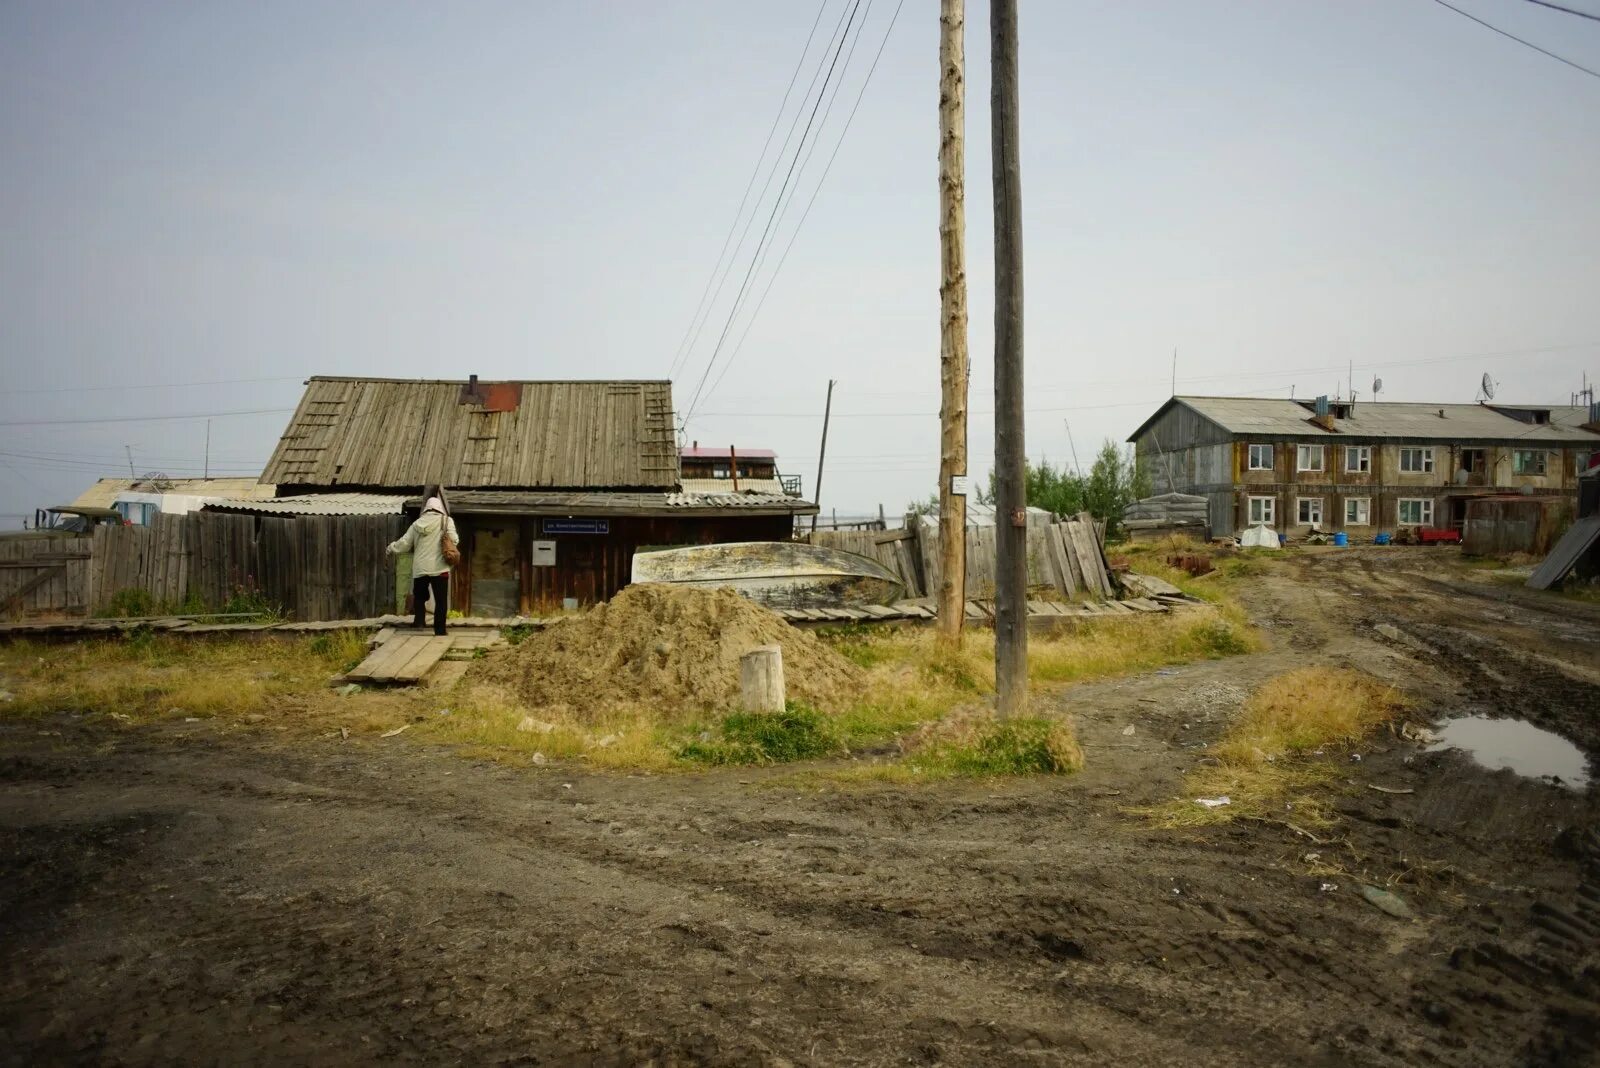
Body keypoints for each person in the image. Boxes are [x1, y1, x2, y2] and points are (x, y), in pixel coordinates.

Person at [385, 495, 459, 635]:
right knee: (441, 601)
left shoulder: (416, 524)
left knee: (419, 597)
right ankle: (440, 630)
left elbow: (404, 544)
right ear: (439, 509)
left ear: (426, 509)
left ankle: (419, 622)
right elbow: (454, 540)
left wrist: (391, 548)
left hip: (420, 568)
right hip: (440, 567)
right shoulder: (446, 521)